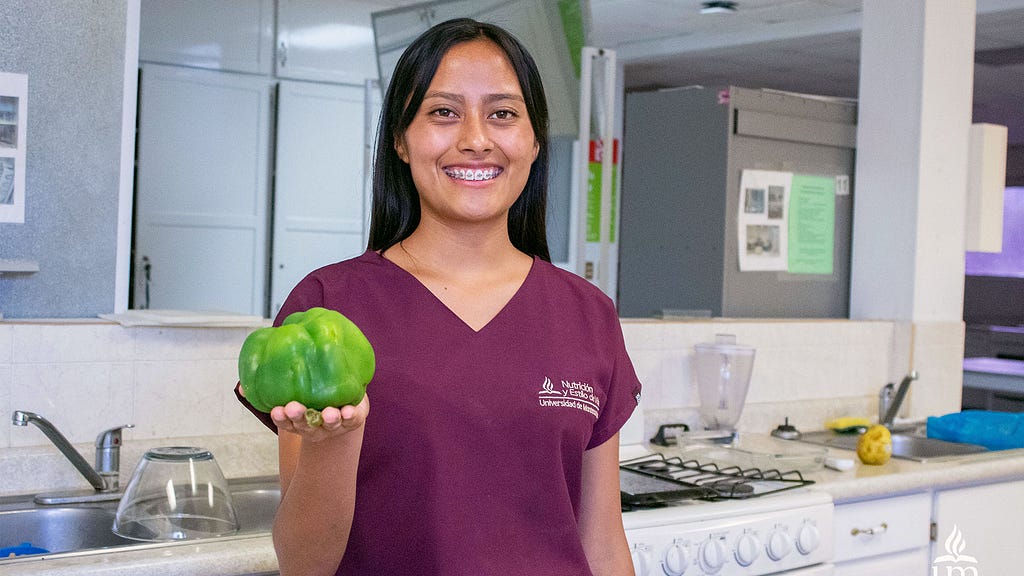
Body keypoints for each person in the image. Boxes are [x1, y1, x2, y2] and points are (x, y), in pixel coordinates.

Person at [236, 17, 641, 576]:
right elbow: (306, 564)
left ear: (533, 140)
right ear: (401, 141)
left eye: (502, 113)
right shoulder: (329, 307)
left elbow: (602, 544)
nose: (476, 139)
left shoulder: (587, 313)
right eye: (443, 112)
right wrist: (337, 441)